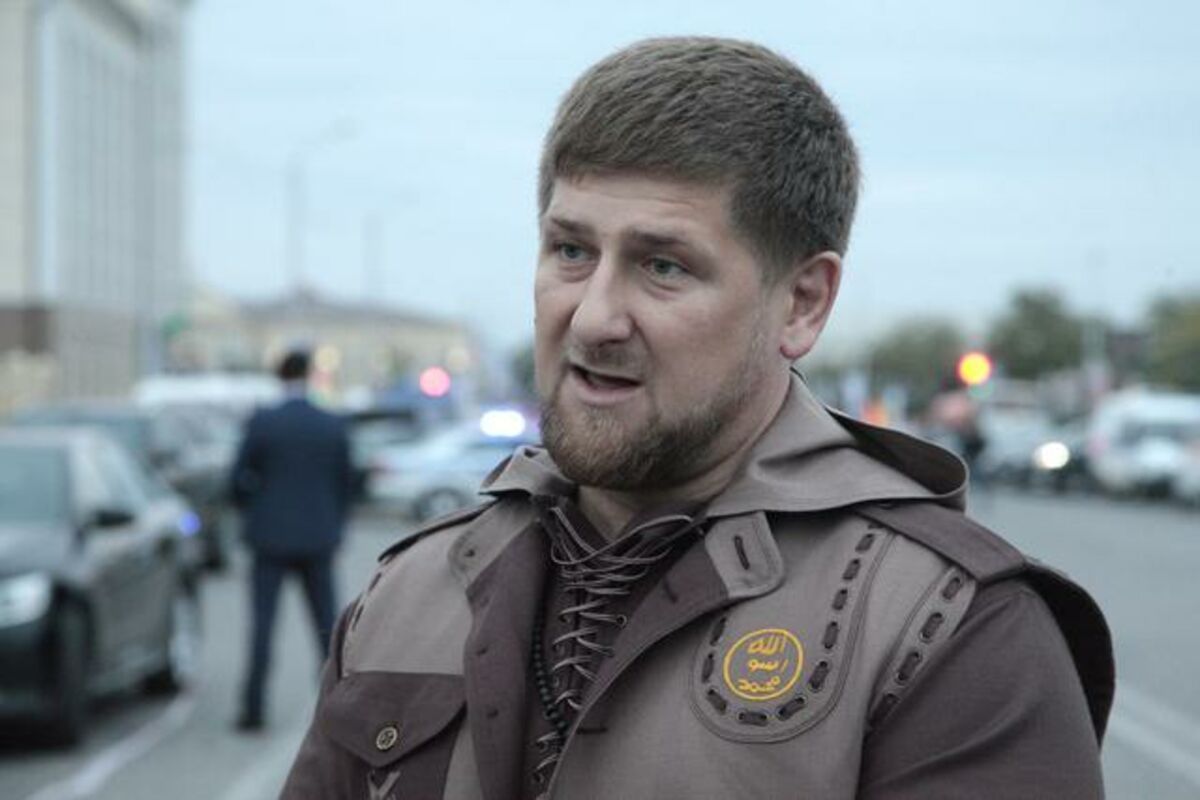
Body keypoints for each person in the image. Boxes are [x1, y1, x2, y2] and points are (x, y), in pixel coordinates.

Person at [282, 38, 1113, 798]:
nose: (593, 317)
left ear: (802, 302)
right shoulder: (409, 593)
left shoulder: (950, 630)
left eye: (663, 266)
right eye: (571, 250)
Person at [230, 348, 352, 732]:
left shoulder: (263, 421)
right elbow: (348, 482)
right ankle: (337, 714)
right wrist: (333, 523)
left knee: (263, 627)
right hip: (318, 538)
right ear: (310, 375)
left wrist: (255, 508)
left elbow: (236, 480)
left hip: (269, 538)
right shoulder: (331, 423)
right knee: (326, 630)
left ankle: (253, 710)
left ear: (279, 376)